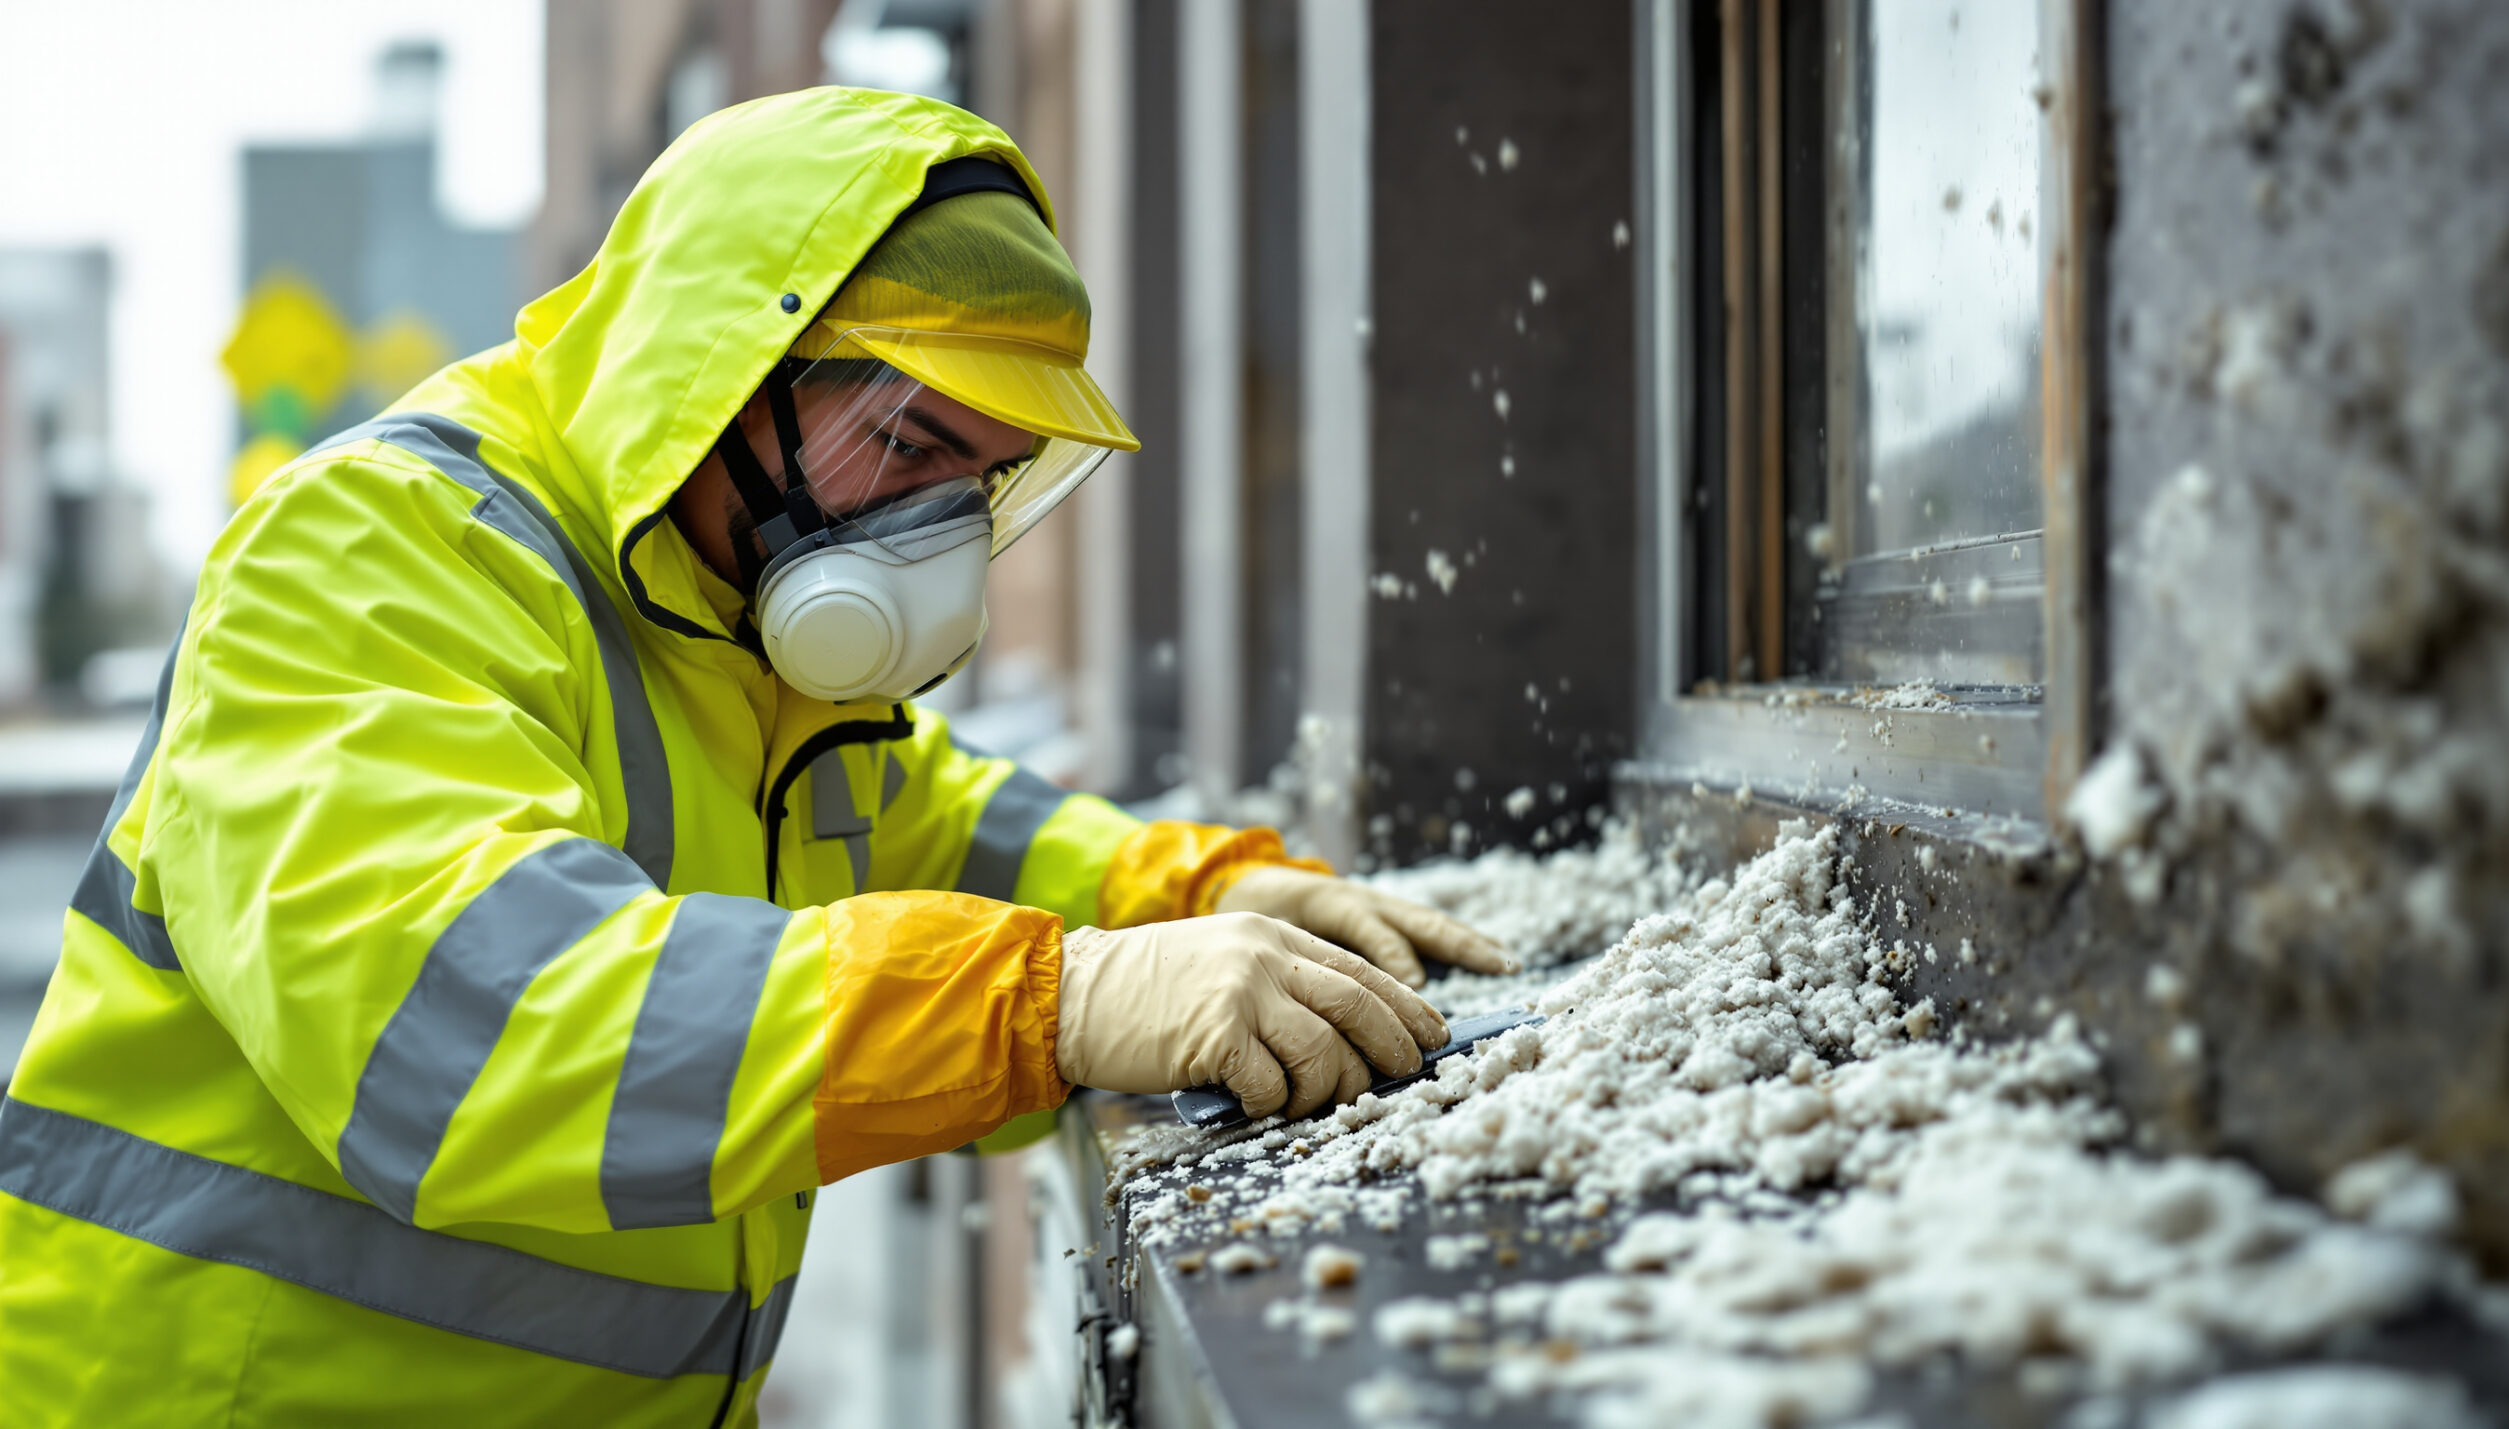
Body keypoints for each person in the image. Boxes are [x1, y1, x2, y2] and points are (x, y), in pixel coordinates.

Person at [0, 89, 1508, 1427]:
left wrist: (1196, 889)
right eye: (905, 448)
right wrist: (1062, 999)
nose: (935, 537)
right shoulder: (369, 562)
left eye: (978, 481)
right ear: (721, 375)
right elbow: (480, 1028)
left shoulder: (727, 624)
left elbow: (931, 821)